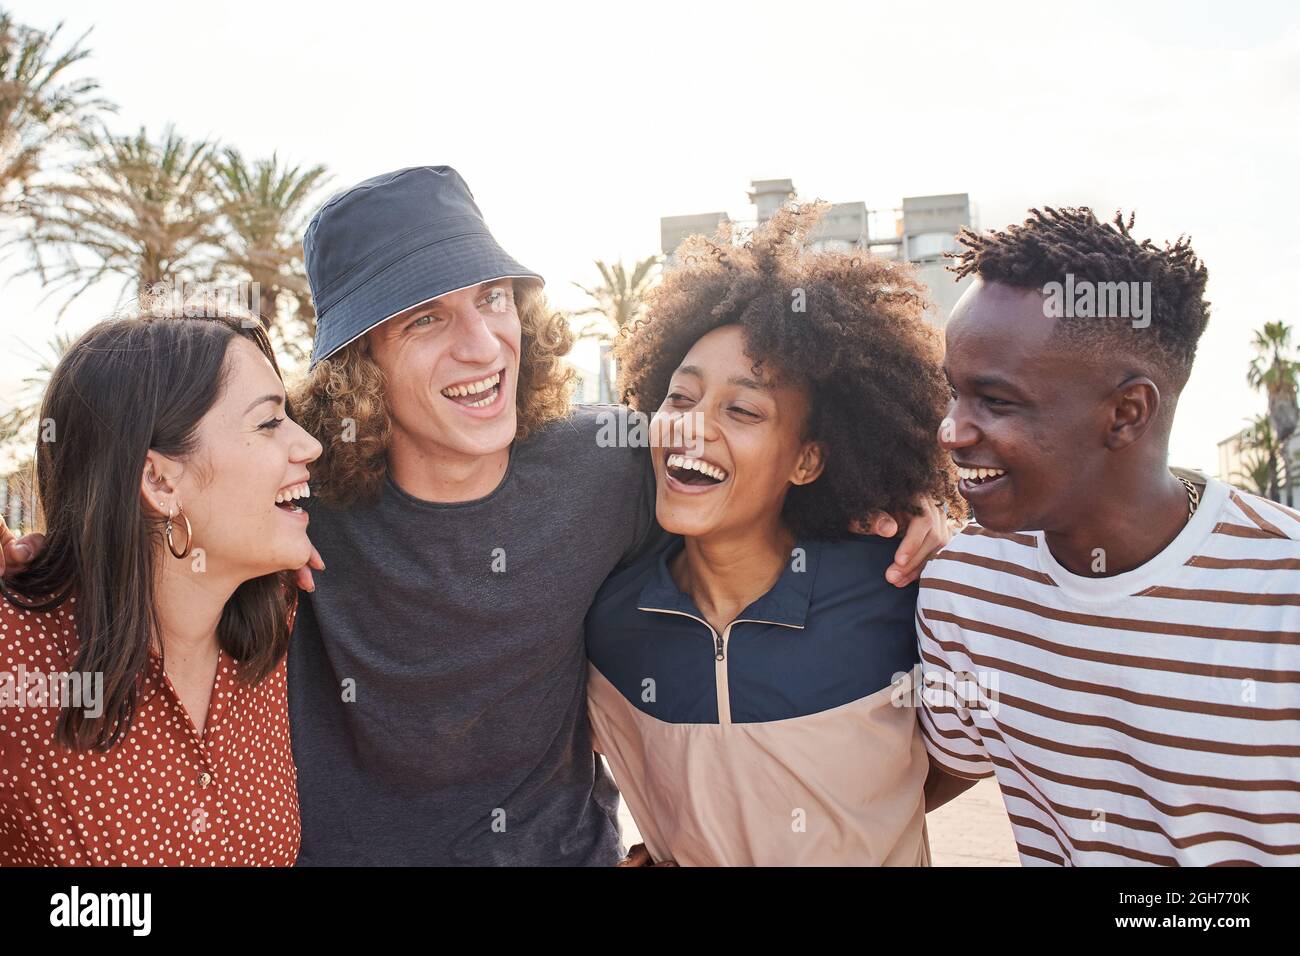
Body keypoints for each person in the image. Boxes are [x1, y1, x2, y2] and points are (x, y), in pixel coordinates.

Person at [281, 166, 953, 865]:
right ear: (358, 364)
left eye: (494, 299)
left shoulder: (611, 465)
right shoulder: (291, 501)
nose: (482, 345)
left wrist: (902, 501)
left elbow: (759, 474)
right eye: (426, 318)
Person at [919, 207, 1300, 865]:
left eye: (995, 401)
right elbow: (909, 781)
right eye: (954, 394)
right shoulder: (965, 586)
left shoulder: (1282, 593)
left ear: (1126, 414)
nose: (952, 430)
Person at [585, 205, 963, 866]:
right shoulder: (608, 627)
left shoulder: (898, 591)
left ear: (808, 460)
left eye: (742, 409)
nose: (692, 427)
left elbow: (961, 759)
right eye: (680, 398)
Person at [0, 311, 321, 866]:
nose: (311, 445)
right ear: (159, 480)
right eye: (269, 423)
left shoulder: (279, 630)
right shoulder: (15, 657)